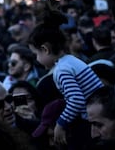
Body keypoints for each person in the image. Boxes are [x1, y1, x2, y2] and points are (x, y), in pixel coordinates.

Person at [29, 9, 102, 150]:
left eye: (36, 54)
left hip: (93, 119)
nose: (37, 59)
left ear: (45, 49)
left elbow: (76, 99)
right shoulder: (70, 60)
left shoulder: (61, 70)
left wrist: (61, 124)